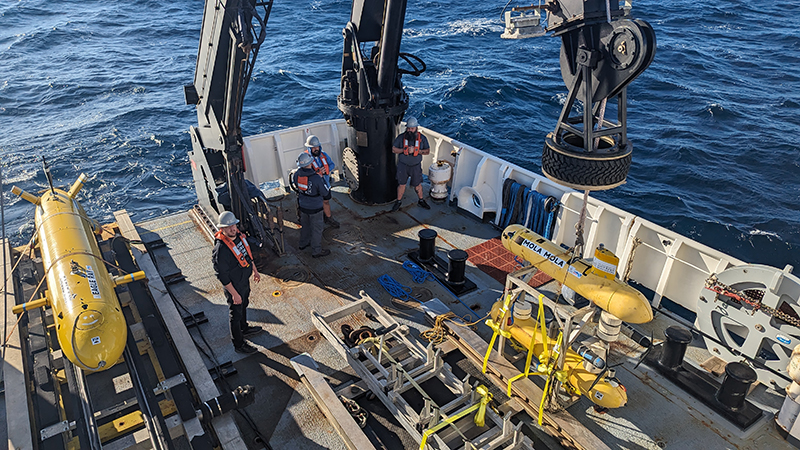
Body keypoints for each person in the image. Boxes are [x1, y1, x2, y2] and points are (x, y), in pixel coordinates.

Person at [212, 211, 263, 354]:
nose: (232, 229)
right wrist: (234, 294)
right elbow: (222, 275)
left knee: (244, 305)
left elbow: (246, 255)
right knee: (235, 313)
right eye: (228, 227)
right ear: (222, 229)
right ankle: (239, 344)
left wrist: (254, 270)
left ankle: (244, 328)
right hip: (234, 286)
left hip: (243, 281)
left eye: (233, 225)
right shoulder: (221, 250)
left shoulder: (239, 237)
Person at [293, 152, 331, 257]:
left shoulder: (296, 175)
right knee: (317, 229)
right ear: (311, 163)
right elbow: (326, 194)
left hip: (303, 206)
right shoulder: (316, 178)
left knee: (305, 226)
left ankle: (303, 243)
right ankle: (316, 250)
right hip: (315, 208)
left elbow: (297, 185)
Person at [391, 116, 431, 211]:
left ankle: (421, 200)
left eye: (412, 128)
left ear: (416, 128)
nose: (409, 130)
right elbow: (394, 149)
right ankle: (398, 201)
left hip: (415, 166)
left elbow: (427, 151)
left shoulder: (422, 138)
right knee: (401, 184)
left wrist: (417, 151)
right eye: (408, 128)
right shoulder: (401, 137)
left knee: (418, 185)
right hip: (403, 166)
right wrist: (404, 150)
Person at [305, 135, 340, 228]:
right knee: (315, 206)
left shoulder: (324, 155)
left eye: (317, 147)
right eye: (313, 148)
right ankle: (315, 222)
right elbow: (302, 172)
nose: (316, 149)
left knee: (326, 202)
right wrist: (315, 173)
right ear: (309, 148)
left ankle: (328, 218)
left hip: (325, 185)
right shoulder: (305, 158)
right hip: (314, 188)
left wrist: (326, 169)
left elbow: (332, 164)